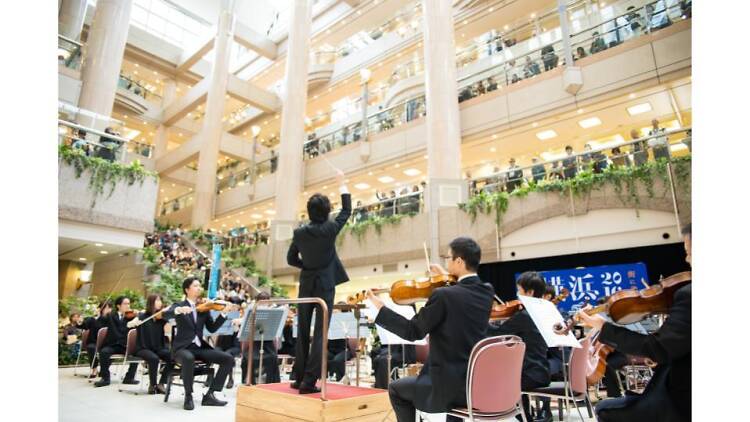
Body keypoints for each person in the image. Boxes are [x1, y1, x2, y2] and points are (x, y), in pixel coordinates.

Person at [365, 237, 494, 422]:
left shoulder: (443, 295)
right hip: (476, 382)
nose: (446, 262)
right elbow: (464, 293)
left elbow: (413, 331)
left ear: (459, 261)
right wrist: (446, 275)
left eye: (448, 258)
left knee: (395, 389)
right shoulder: (486, 291)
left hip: (446, 386)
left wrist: (380, 309)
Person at [577, 223, 691, 422]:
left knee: (604, 409)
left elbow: (659, 348)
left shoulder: (689, 295)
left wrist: (601, 326)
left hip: (682, 397)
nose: (687, 259)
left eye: (689, 252)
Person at [286, 170, 351, 394]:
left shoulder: (299, 233)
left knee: (302, 332)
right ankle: (309, 382)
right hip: (325, 285)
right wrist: (342, 184)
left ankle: (298, 377)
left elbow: (290, 259)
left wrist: (307, 267)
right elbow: (347, 210)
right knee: (320, 334)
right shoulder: (331, 229)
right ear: (327, 211)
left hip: (305, 285)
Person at [162, 277, 238, 410]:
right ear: (187, 289)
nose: (199, 288)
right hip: (182, 348)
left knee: (228, 359)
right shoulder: (179, 305)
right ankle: (188, 396)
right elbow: (165, 315)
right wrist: (178, 311)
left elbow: (212, 328)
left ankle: (210, 394)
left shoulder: (203, 308)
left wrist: (223, 314)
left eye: (199, 286)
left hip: (199, 347)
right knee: (188, 358)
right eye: (195, 286)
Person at [487, 272, 551, 421]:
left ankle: (526, 419)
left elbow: (497, 333)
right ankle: (527, 417)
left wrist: (481, 321)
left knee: (501, 385)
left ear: (530, 292)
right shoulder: (542, 311)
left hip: (531, 374)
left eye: (519, 290)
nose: (517, 294)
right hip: (541, 370)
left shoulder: (525, 316)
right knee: (508, 383)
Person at [127, 294, 174, 394]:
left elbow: (173, 321)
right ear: (151, 302)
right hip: (142, 348)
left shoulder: (161, 317)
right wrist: (133, 322)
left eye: (160, 300)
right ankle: (152, 385)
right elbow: (130, 323)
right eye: (157, 300)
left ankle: (162, 383)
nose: (160, 303)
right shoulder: (142, 316)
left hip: (157, 347)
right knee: (154, 359)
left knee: (172, 356)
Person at [94, 296, 140, 387]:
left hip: (124, 345)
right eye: (125, 303)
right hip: (113, 344)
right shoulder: (111, 315)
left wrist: (138, 315)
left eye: (129, 304)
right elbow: (100, 322)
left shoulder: (131, 316)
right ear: (118, 306)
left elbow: (139, 322)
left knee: (137, 352)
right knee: (104, 352)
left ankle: (129, 377)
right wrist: (100, 314)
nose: (128, 306)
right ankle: (105, 378)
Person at [82, 301, 111, 378]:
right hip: (94, 342)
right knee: (91, 347)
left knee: (111, 349)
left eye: (109, 308)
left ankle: (104, 369)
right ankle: (94, 369)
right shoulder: (93, 319)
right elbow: (84, 326)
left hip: (106, 343)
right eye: (106, 308)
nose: (108, 310)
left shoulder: (111, 319)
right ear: (101, 309)